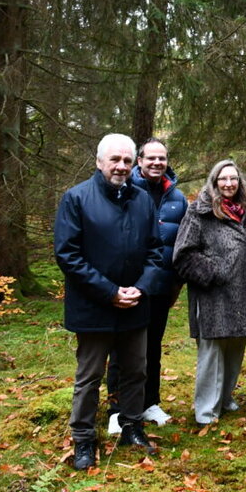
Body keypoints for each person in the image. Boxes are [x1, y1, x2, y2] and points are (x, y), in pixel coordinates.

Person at [54, 133, 162, 470]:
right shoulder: (76, 199)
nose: (121, 166)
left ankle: (132, 426)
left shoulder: (143, 199)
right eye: (115, 160)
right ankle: (84, 438)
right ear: (99, 162)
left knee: (135, 371)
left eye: (127, 161)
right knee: (89, 377)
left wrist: (140, 288)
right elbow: (68, 255)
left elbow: (156, 251)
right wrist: (110, 291)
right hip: (93, 306)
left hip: (135, 304)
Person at [106, 137, 186, 433]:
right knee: (122, 349)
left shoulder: (177, 198)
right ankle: (117, 409)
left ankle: (150, 401)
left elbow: (182, 243)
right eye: (150, 158)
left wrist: (176, 281)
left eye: (161, 158)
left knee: (153, 346)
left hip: (161, 286)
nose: (156, 163)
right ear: (139, 161)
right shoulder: (124, 190)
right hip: (128, 287)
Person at [173, 160, 246, 426]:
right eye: (223, 179)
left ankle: (224, 398)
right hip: (212, 295)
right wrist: (216, 271)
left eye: (233, 179)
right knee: (212, 353)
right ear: (214, 181)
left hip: (243, 293)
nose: (229, 184)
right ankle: (206, 411)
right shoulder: (198, 212)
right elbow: (183, 255)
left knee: (235, 349)